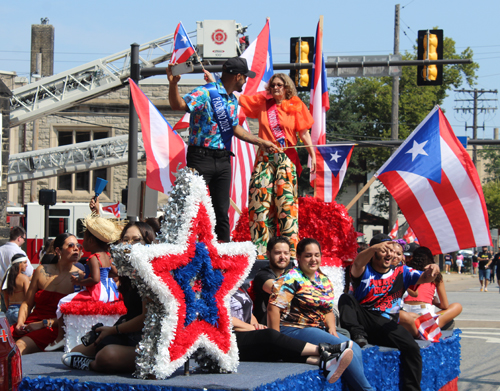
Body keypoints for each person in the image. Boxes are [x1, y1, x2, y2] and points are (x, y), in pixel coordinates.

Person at [167, 57, 277, 243]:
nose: (245, 81)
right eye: (245, 78)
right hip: (200, 158)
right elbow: (178, 105)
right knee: (192, 207)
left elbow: (234, 128)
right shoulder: (205, 92)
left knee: (222, 211)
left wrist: (260, 141)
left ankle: (223, 253)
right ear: (238, 77)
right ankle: (186, 250)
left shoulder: (233, 100)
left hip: (224, 159)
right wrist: (173, 85)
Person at [268, 238, 374, 391]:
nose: (313, 259)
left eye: (317, 255)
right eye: (308, 255)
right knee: (345, 348)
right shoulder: (290, 278)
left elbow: (328, 309)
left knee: (355, 348)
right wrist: (275, 339)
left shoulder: (323, 280)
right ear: (298, 257)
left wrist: (332, 329)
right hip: (293, 329)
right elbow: (273, 308)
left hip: (317, 328)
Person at [338, 233, 440, 391]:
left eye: (392, 251)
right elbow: (358, 262)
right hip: (364, 320)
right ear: (374, 252)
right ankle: (357, 336)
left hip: (387, 324)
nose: (389, 254)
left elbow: (425, 278)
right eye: (385, 250)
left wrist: (433, 269)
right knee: (346, 299)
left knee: (412, 348)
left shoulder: (402, 271)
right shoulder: (364, 270)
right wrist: (373, 248)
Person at [239, 73, 315, 259]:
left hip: (285, 158)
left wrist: (312, 156)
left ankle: (289, 254)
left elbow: (304, 134)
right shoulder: (263, 103)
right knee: (260, 204)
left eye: (279, 85)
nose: (275, 88)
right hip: (265, 158)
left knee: (286, 206)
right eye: (273, 85)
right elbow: (239, 99)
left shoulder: (296, 105)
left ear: (287, 87)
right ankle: (261, 253)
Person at [61, 222, 155, 373]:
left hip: (148, 341)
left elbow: (145, 318)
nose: (129, 244)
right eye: (125, 239)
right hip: (126, 331)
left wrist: (113, 330)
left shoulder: (151, 272)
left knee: (107, 356)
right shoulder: (128, 271)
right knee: (72, 352)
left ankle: (91, 364)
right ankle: (97, 357)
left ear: (148, 242)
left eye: (136, 240)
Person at [231, 287, 353, 384]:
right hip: (229, 339)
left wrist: (256, 325)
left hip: (246, 331)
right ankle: (325, 350)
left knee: (277, 348)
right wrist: (253, 329)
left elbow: (247, 312)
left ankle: (324, 362)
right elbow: (224, 318)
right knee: (270, 336)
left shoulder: (238, 284)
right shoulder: (214, 287)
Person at [46, 215, 121, 350]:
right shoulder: (107, 255)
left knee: (63, 302)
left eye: (84, 239)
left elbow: (95, 279)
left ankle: (60, 337)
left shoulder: (93, 257)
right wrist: (105, 275)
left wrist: (79, 281)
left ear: (91, 241)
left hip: (97, 292)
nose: (82, 243)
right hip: (110, 292)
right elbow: (115, 272)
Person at [13, 233, 82, 355]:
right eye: (71, 245)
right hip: (31, 323)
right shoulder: (41, 270)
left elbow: (73, 316)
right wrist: (20, 323)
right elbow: (27, 303)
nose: (76, 248)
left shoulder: (80, 277)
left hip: (54, 328)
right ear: (58, 250)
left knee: (18, 347)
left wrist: (43, 323)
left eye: (78, 246)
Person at [403, 247, 462, 328]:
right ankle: (432, 320)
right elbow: (445, 305)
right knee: (457, 306)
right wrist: (436, 303)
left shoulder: (408, 272)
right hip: (424, 312)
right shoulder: (435, 275)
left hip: (405, 311)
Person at [252, 236, 292, 325]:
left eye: (286, 253)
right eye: (278, 253)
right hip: (269, 326)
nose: (282, 257)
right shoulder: (262, 275)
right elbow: (276, 289)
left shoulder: (291, 274)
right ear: (268, 254)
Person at [1, 254, 30, 325]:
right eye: (25, 262)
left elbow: (5, 297)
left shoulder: (7, 278)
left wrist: (8, 308)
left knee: (11, 334)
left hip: (9, 312)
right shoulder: (24, 278)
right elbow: (28, 297)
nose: (27, 265)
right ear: (19, 264)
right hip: (20, 311)